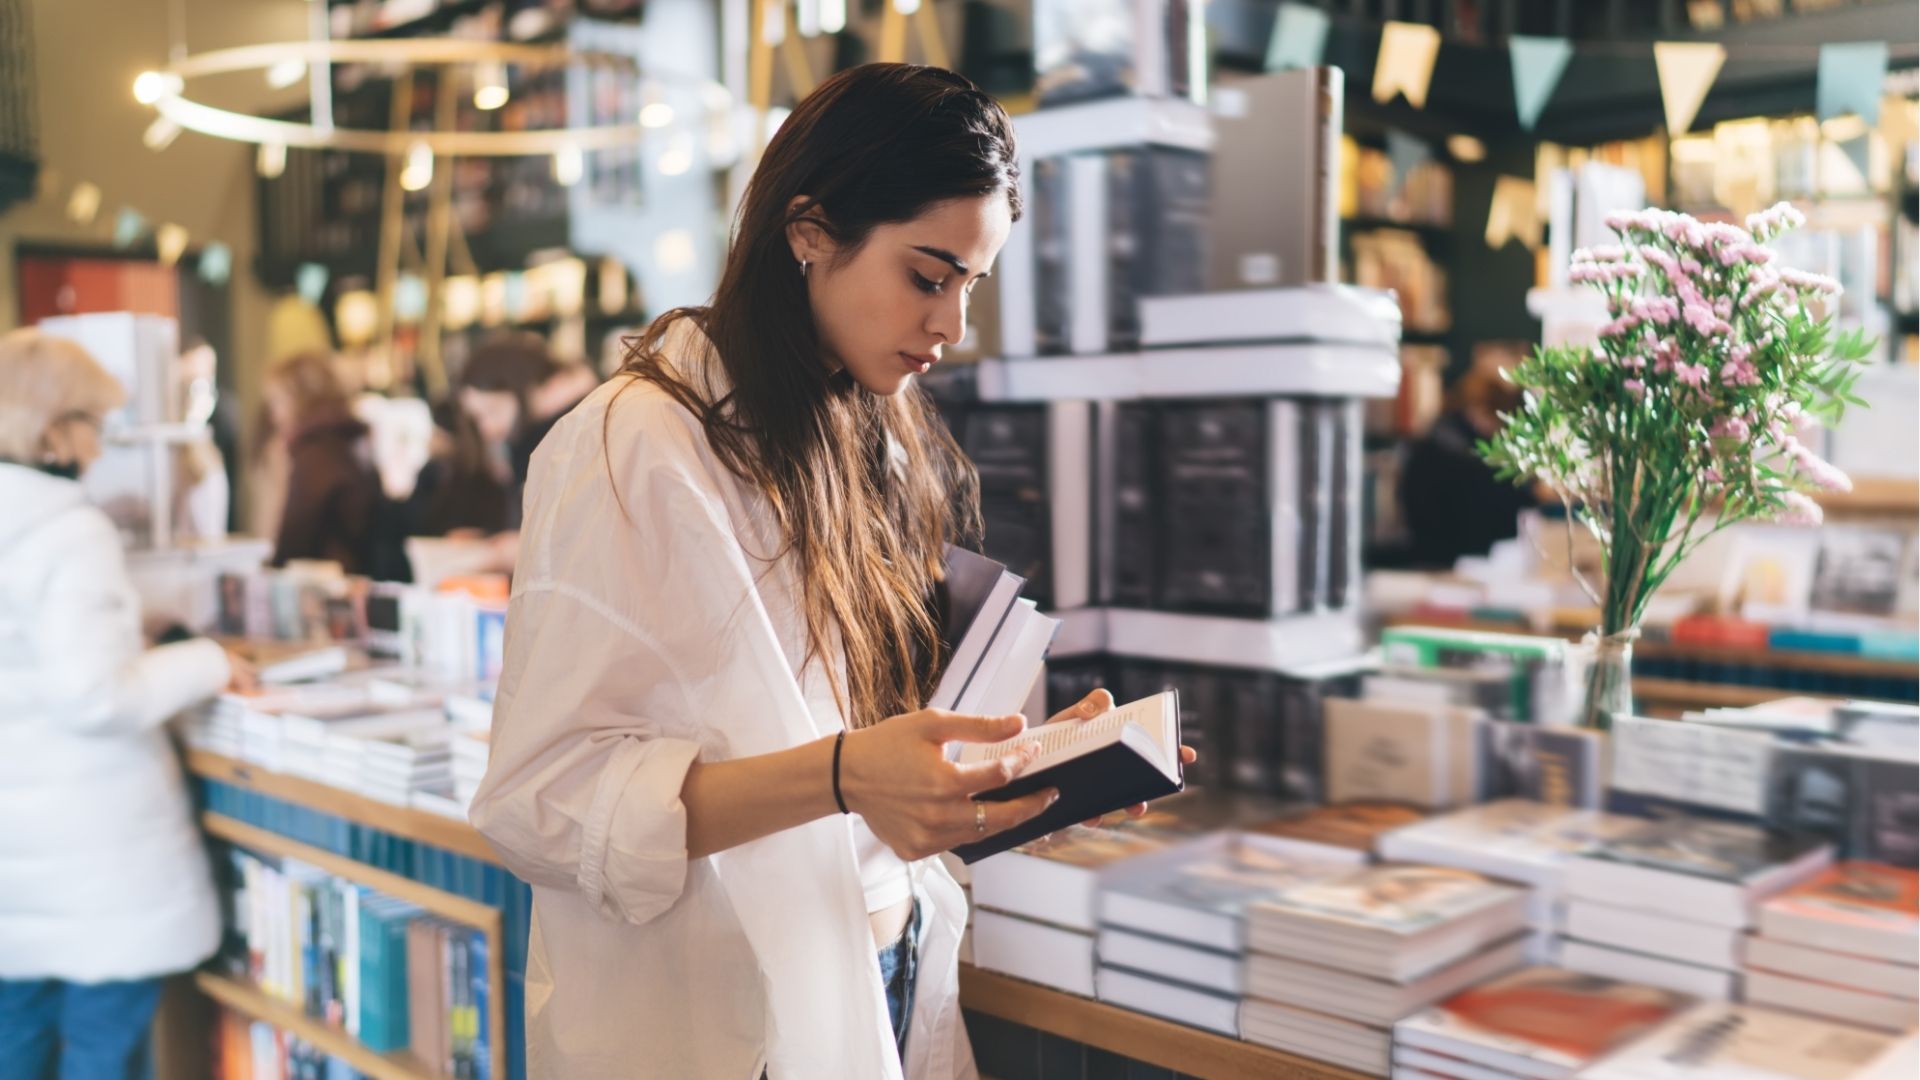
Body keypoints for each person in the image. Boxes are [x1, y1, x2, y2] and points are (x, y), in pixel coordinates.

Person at [468, 64, 1193, 1080]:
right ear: (809, 230)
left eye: (972, 286)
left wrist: (1015, 771)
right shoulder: (627, 448)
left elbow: (865, 734)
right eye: (929, 276)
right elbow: (539, 802)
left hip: (878, 966)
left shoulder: (872, 435)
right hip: (724, 1018)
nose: (954, 326)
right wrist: (847, 777)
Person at [0, 329, 254, 1077]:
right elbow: (97, 695)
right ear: (53, 429)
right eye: (95, 426)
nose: (102, 448)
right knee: (107, 1052)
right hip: (92, 862)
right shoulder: (67, 528)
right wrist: (208, 660)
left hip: (17, 863)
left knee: (17, 1043)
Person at [1397, 358, 1536, 569]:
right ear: (1482, 410)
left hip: (1432, 554)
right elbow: (1493, 503)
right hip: (1455, 559)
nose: (1498, 428)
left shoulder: (1436, 437)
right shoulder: (1465, 452)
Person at [264, 351, 393, 577]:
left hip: (331, 591)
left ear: (300, 399)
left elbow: (293, 543)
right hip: (359, 580)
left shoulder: (316, 455)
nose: (274, 415)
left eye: (278, 402)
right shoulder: (348, 443)